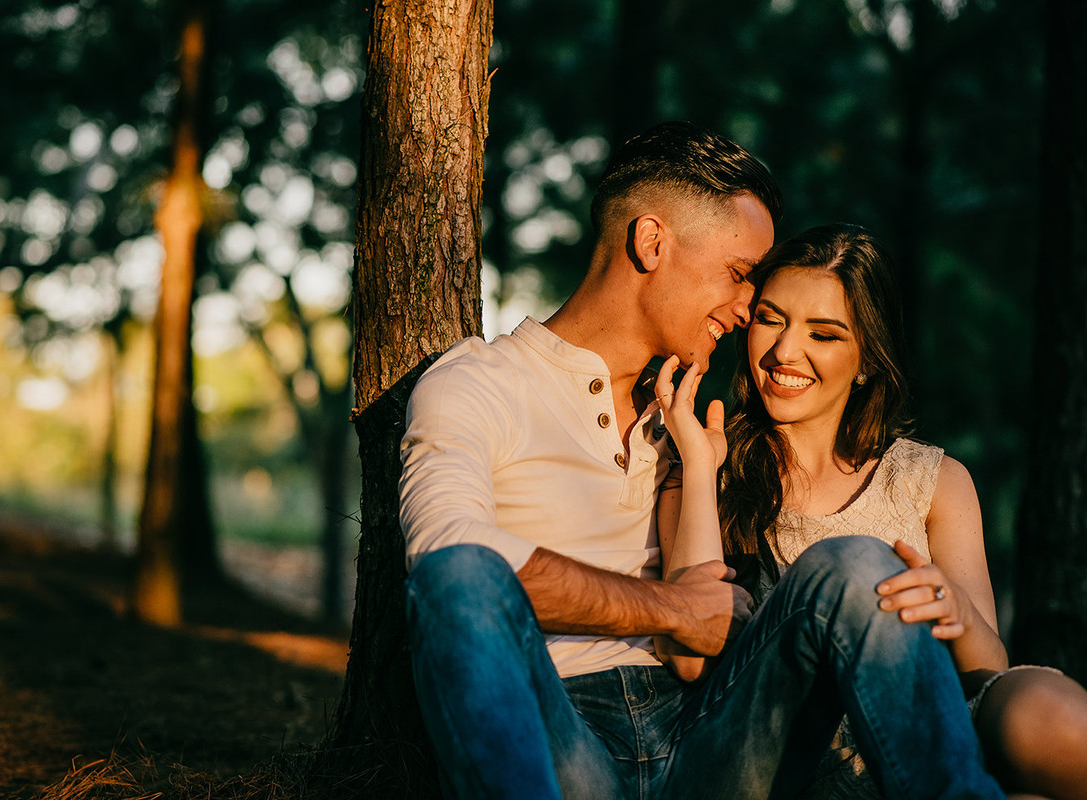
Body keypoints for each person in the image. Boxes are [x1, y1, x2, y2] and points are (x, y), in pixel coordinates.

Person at [400, 121, 1005, 799]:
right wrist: (672, 609)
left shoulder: (683, 427)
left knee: (859, 564)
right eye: (741, 275)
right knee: (459, 574)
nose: (750, 310)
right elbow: (445, 556)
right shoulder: (477, 383)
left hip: (710, 742)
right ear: (651, 242)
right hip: (559, 737)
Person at [658, 222, 1087, 800]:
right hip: (780, 765)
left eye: (823, 333)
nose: (785, 352)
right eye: (770, 319)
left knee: (1040, 709)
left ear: (866, 358)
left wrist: (955, 608)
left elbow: (987, 669)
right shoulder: (703, 459)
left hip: (927, 740)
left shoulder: (931, 481)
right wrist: (699, 471)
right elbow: (689, 663)